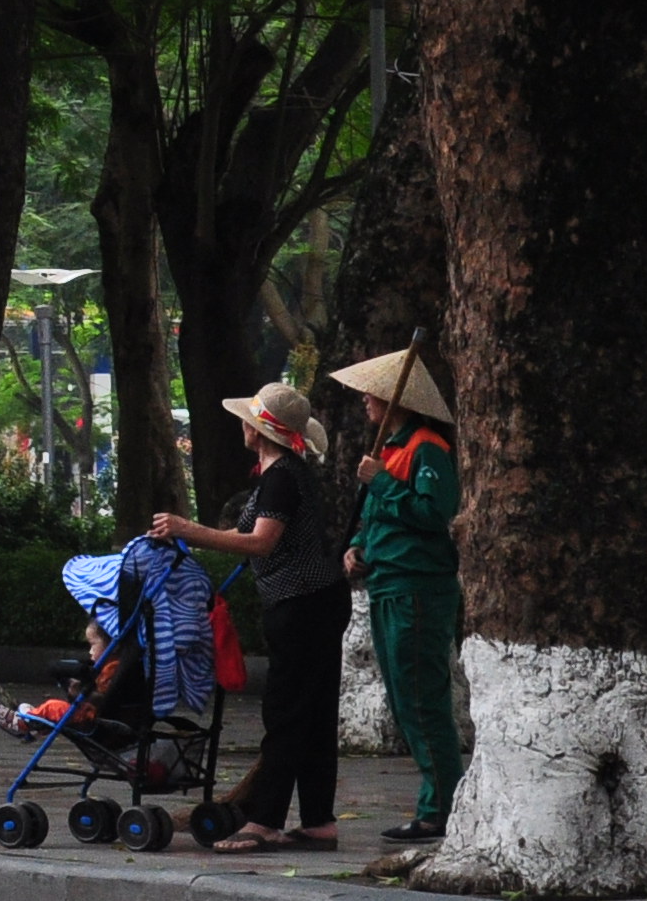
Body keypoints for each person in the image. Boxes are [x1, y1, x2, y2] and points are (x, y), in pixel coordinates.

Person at [159, 382, 346, 850]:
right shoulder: (281, 474)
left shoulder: (282, 476)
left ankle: (263, 821)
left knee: (287, 713)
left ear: (258, 431)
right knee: (312, 714)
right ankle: (318, 821)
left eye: (247, 421)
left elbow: (261, 542)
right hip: (314, 602)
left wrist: (188, 530)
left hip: (303, 605)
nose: (241, 426)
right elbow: (256, 537)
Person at [335, 347, 466, 844]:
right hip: (387, 582)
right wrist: (357, 548)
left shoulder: (426, 448)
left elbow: (433, 514)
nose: (365, 401)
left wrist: (384, 483)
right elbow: (378, 521)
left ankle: (442, 807)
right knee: (404, 699)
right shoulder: (388, 451)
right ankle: (437, 801)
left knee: (421, 699)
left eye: (373, 394)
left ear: (397, 401)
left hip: (418, 587)